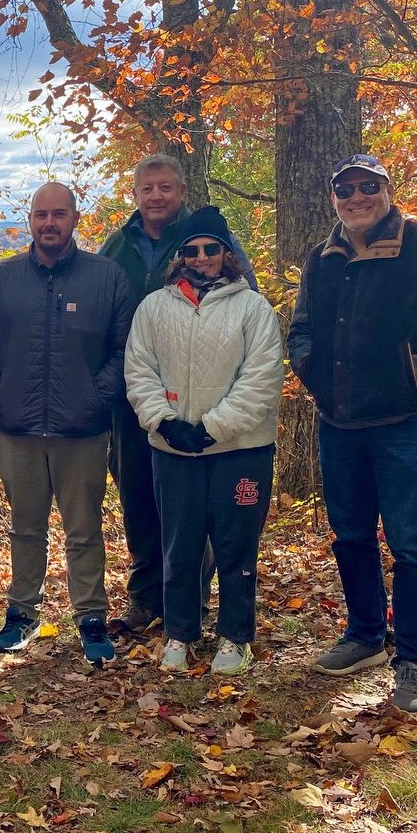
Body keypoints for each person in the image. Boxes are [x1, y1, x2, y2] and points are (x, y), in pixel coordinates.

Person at [288, 154, 417, 714]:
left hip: (407, 423)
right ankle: (366, 637)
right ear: (334, 198)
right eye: (346, 189)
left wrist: (416, 371)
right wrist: (315, 375)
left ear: (387, 190)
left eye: (368, 187)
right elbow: (300, 329)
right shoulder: (321, 259)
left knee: (410, 542)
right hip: (339, 422)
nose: (357, 197)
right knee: (350, 535)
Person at [0, 182, 134, 666]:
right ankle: (22, 612)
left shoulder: (106, 277)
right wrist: (1, 394)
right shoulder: (1, 279)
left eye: (59, 214)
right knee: (25, 528)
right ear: (31, 219)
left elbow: (125, 349)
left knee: (83, 529)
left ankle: (91, 617)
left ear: (75, 218)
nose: (49, 223)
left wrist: (96, 397)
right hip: (17, 429)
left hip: (83, 429)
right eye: (41, 214)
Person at [99, 154, 256, 636]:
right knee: (139, 495)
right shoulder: (118, 244)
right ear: (136, 194)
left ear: (182, 191)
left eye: (166, 187)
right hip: (134, 391)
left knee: (196, 502)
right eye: (147, 189)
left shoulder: (206, 238)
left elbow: (245, 299)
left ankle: (188, 597)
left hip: (201, 393)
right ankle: (146, 596)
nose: (156, 196)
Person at [124, 206, 283, 675]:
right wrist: (165, 422)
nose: (201, 257)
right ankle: (179, 631)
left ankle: (235, 637)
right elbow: (139, 369)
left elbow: (261, 378)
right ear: (179, 257)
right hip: (173, 450)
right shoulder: (154, 307)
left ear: (226, 254)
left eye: (211, 248)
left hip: (241, 451)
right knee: (180, 543)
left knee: (235, 544)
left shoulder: (252, 309)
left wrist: (212, 428)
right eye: (191, 250)